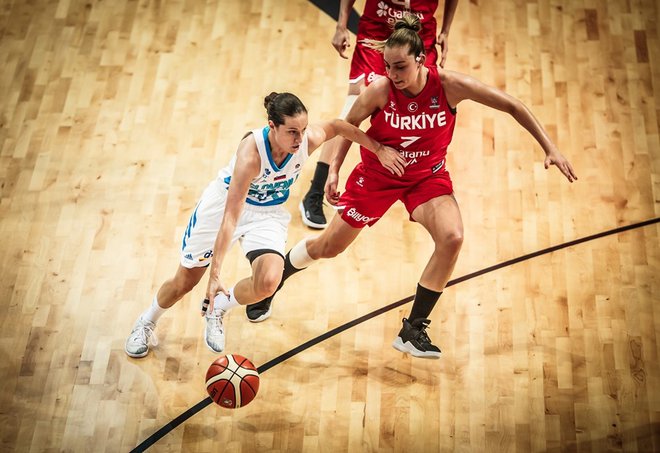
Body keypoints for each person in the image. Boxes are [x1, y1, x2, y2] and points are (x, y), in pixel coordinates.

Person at [247, 15, 578, 359]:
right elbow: (347, 125)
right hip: (376, 178)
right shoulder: (380, 90)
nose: (393, 74)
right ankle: (278, 276)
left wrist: (549, 147)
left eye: (400, 66)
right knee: (329, 247)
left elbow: (512, 104)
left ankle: (412, 329)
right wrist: (333, 172)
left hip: (426, 177)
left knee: (453, 238)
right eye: (388, 66)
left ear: (421, 59)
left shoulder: (449, 85)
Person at [125, 92, 399, 357]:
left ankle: (219, 307)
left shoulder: (306, 140)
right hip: (224, 208)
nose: (300, 138)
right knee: (185, 282)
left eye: (303, 129)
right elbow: (231, 217)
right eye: (292, 131)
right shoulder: (251, 155)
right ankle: (146, 322)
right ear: (272, 127)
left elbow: (339, 126)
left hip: (266, 213)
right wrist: (215, 274)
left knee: (268, 281)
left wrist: (377, 148)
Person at [299, 0, 459, 230]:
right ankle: (317, 189)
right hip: (378, 29)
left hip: (419, 35)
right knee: (352, 108)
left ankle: (423, 178)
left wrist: (446, 30)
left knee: (425, 109)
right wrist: (341, 24)